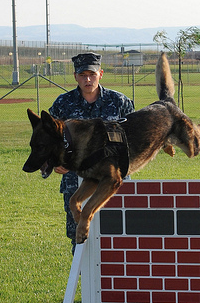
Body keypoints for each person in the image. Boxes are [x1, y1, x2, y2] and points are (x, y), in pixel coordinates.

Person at [49, 52, 135, 254]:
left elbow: (134, 140)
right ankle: (83, 285)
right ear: (75, 76)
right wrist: (55, 161)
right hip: (75, 182)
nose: (88, 80)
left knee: (118, 236)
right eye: (83, 75)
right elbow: (49, 139)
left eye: (92, 74)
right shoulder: (63, 104)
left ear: (101, 74)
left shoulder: (120, 102)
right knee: (78, 239)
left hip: (112, 183)